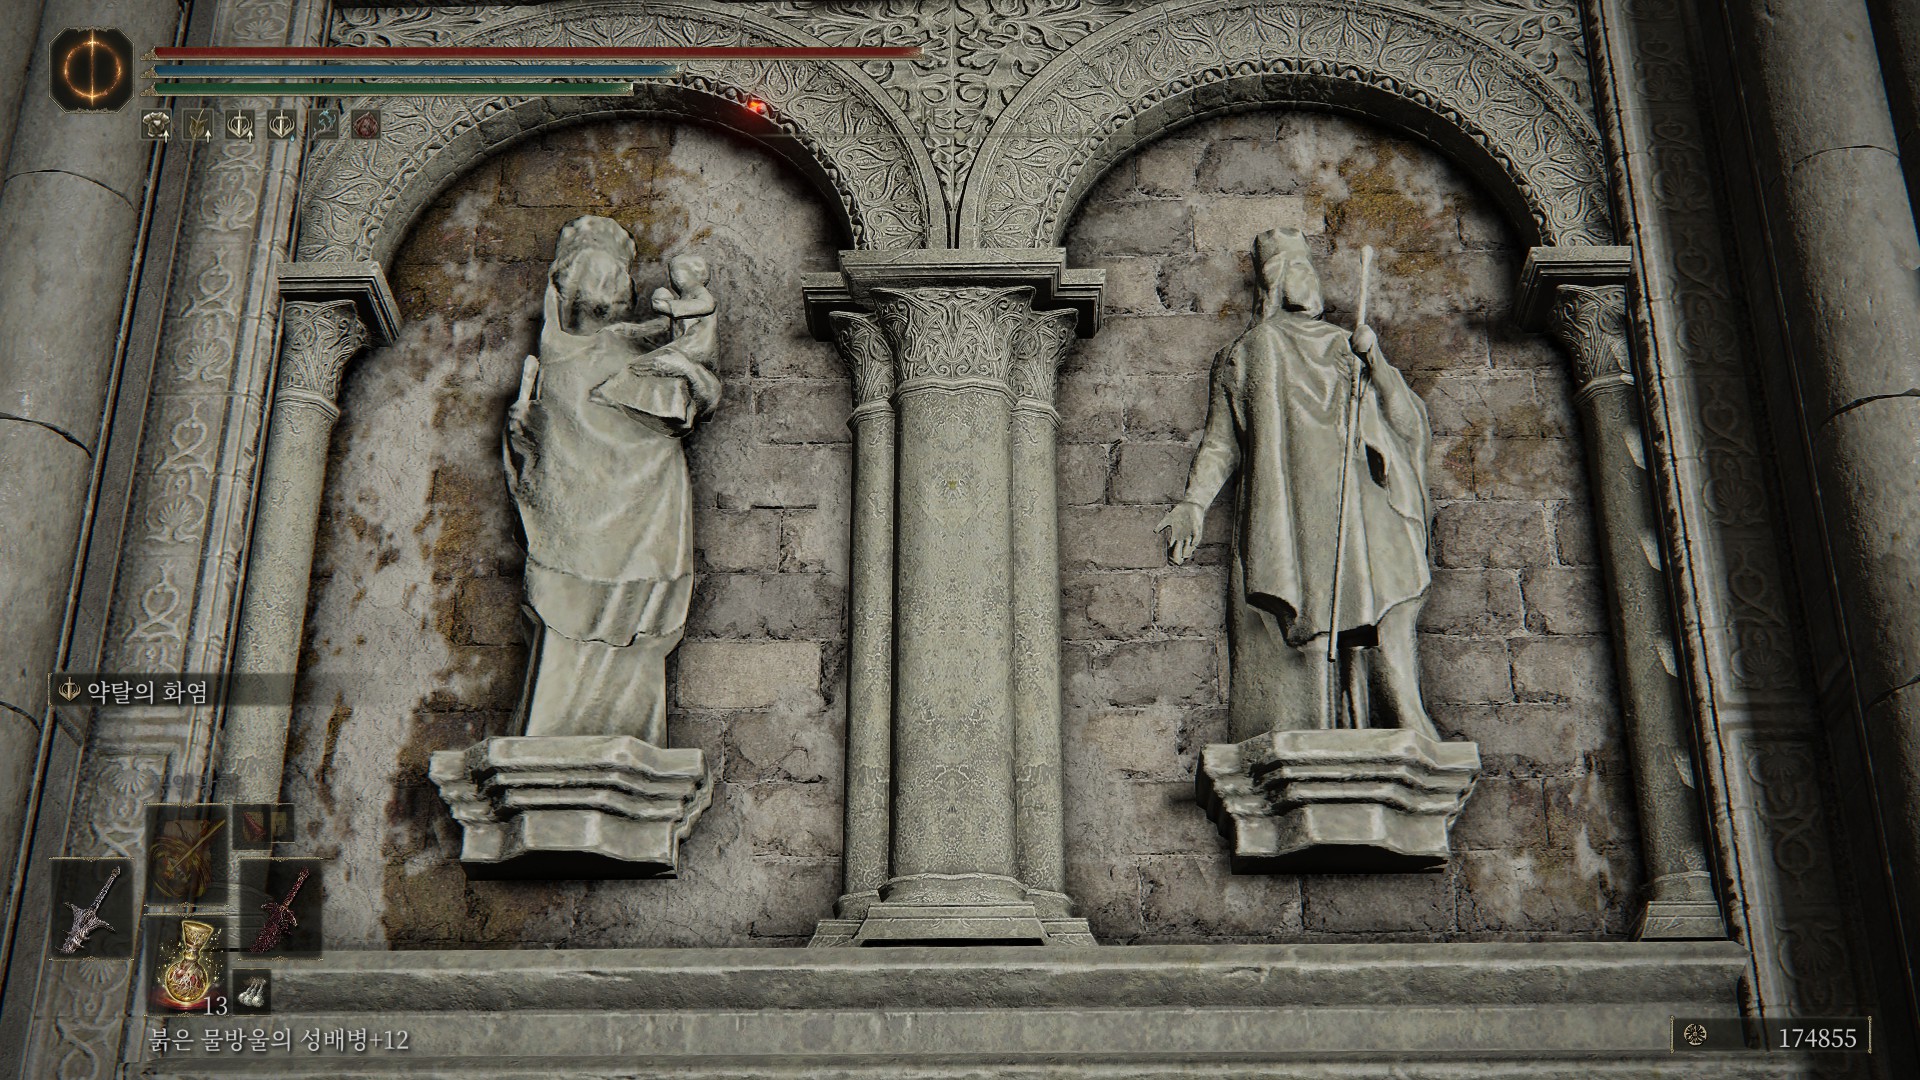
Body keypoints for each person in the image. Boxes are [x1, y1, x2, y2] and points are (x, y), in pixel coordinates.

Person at [1158, 228, 1438, 741]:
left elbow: (1405, 423)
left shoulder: (1345, 345)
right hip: (1293, 509)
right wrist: (1194, 503)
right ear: (1278, 281)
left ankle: (1393, 719)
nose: (1311, 283)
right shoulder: (1251, 352)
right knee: (1308, 619)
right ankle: (1313, 725)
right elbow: (1222, 442)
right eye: (1300, 270)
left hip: (1359, 504)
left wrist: (1375, 363)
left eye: (1311, 270)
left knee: (1388, 600)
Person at [502, 217, 720, 744]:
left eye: (615, 283)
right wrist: (524, 436)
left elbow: (698, 388)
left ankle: (628, 726)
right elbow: (541, 442)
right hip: (572, 504)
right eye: (590, 281)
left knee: (635, 613)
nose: (605, 296)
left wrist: (692, 376)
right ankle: (556, 724)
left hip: (647, 495)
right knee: (564, 607)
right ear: (562, 289)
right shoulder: (557, 354)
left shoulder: (634, 346)